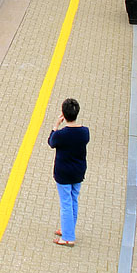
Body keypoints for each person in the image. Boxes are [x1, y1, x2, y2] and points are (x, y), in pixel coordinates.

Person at [48, 97, 89, 246]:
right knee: (73, 200)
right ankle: (68, 228)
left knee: (65, 203)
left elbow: (51, 142)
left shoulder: (61, 135)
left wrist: (55, 126)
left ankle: (68, 237)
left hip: (63, 173)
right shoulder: (85, 132)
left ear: (64, 115)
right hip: (78, 172)